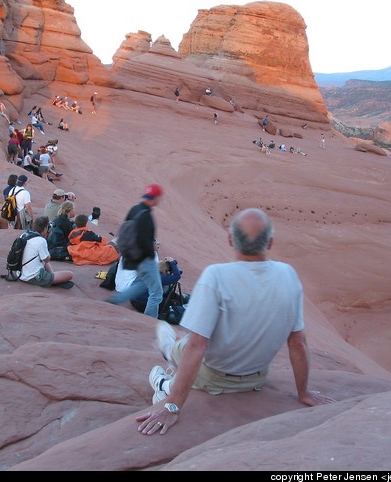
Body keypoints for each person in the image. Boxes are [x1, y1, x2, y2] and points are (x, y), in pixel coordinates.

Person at [136, 208, 335, 436]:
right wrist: (304, 393)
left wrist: (172, 405)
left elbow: (197, 347)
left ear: (231, 240)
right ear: (270, 243)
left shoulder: (216, 276)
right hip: (256, 378)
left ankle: (164, 380)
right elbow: (298, 343)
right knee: (195, 337)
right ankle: (172, 351)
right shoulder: (288, 274)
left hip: (214, 378)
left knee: (181, 346)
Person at [106, 184, 165, 318]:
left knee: (142, 283)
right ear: (154, 198)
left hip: (131, 256)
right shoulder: (146, 216)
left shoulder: (134, 209)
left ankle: (116, 299)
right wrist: (152, 252)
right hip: (144, 258)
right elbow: (145, 241)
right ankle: (150, 320)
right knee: (156, 293)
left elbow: (125, 231)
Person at [19, 216, 74, 287]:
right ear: (45, 229)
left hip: (20, 274)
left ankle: (52, 276)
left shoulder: (24, 235)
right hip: (34, 277)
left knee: (42, 259)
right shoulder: (41, 240)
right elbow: (47, 259)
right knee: (70, 275)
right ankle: (51, 278)